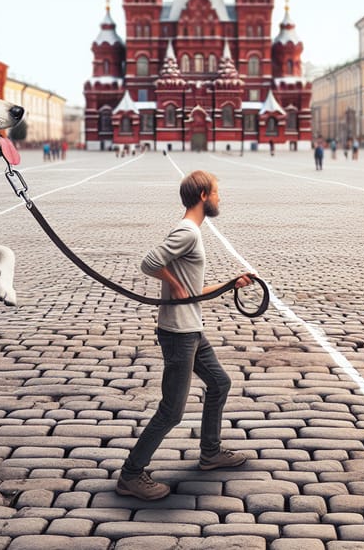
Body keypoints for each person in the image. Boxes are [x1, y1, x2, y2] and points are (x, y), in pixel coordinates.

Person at [115, 170, 252, 501]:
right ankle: (131, 474)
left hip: (192, 329)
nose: (220, 197)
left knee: (220, 383)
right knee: (172, 410)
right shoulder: (188, 232)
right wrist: (175, 285)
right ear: (203, 195)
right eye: (217, 192)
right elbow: (149, 263)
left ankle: (211, 452)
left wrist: (230, 284)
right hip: (179, 334)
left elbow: (193, 292)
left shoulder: (191, 232)